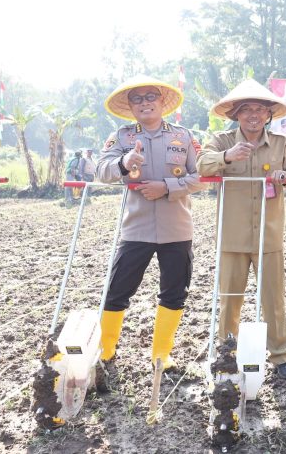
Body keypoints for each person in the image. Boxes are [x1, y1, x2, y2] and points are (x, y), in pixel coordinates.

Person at [197, 79, 286, 380]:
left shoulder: (281, 144)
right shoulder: (222, 141)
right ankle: (226, 352)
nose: (254, 116)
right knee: (230, 298)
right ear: (236, 114)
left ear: (269, 115)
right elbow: (201, 165)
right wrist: (227, 157)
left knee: (273, 299)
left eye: (260, 110)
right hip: (232, 236)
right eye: (247, 110)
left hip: (268, 236)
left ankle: (281, 357)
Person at [96, 75, 205, 372]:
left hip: (176, 228)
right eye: (137, 99)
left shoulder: (183, 136)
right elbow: (101, 171)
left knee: (174, 290)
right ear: (130, 107)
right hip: (136, 228)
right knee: (118, 289)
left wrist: (167, 187)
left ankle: (162, 354)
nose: (145, 103)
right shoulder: (122, 137)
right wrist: (124, 162)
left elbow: (200, 177)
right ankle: (106, 351)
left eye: (150, 97)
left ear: (161, 102)